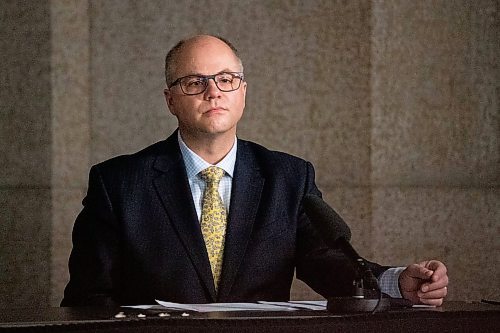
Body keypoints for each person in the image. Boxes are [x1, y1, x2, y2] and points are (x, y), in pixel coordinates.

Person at [61, 35, 448, 307]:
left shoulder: (288, 178)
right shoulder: (118, 184)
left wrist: (397, 282)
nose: (213, 92)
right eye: (194, 82)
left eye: (225, 79)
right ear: (170, 100)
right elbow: (87, 300)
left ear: (242, 92)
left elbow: (330, 265)